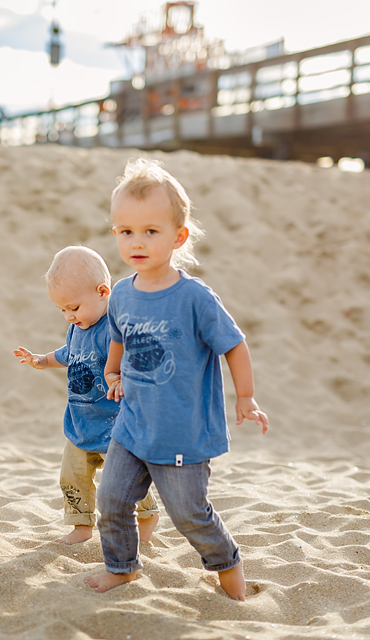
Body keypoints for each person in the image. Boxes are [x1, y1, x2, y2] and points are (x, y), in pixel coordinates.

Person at [84, 158, 268, 601]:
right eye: (126, 231)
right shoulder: (122, 294)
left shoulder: (194, 298)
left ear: (178, 236)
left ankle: (229, 566)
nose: (137, 242)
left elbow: (233, 344)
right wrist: (112, 371)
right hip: (132, 427)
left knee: (189, 514)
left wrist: (245, 397)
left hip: (182, 433)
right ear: (115, 234)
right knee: (111, 501)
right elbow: (118, 338)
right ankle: (122, 567)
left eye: (151, 231)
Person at [13, 246, 160, 545]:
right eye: (62, 310)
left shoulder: (113, 331)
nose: (69, 316)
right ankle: (81, 525)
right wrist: (42, 359)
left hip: (116, 426)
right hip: (81, 423)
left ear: (103, 291)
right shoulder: (77, 328)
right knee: (72, 477)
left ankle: (147, 515)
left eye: (74, 307)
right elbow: (68, 354)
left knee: (123, 481)